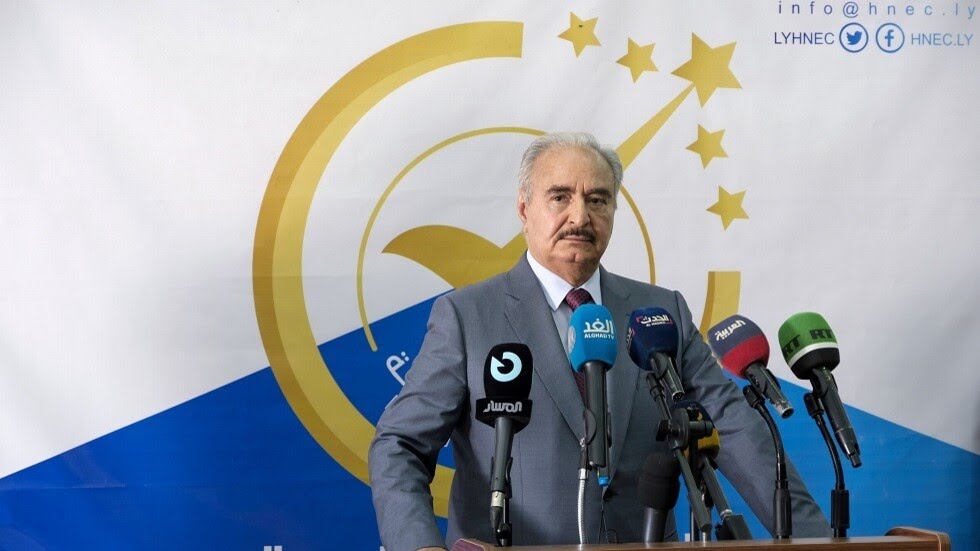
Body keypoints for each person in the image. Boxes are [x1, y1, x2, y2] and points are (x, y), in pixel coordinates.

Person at [369, 132, 830, 551]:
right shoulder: (468, 317)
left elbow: (736, 430)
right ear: (524, 209)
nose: (580, 217)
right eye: (560, 197)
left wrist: (817, 543)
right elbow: (399, 445)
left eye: (597, 200)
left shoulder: (660, 313)